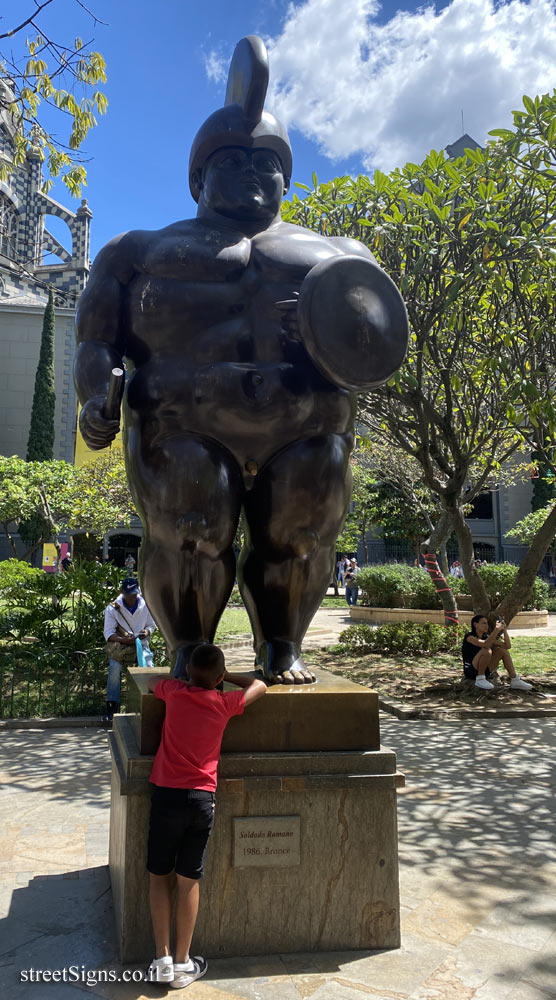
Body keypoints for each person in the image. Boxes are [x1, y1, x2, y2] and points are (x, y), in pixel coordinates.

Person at [73, 35, 407, 688]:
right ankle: (190, 648)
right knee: (192, 529)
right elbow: (95, 340)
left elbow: (376, 343)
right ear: (198, 177)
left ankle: (283, 646)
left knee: (302, 536)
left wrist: (320, 335)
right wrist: (97, 395)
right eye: (234, 160)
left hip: (306, 420)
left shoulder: (339, 253)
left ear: (287, 177)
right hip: (183, 422)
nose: (253, 175)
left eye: (267, 163)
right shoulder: (138, 250)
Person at [145, 644, 266, 989]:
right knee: (188, 880)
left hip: (167, 796)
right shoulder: (224, 703)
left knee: (158, 876)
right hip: (201, 800)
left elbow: (154, 680)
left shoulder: (175, 693)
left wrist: (181, 679)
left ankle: (161, 960)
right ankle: (184, 962)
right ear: (218, 678)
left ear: (187, 673)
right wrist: (227, 677)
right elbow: (260, 686)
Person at [103, 577, 157, 721]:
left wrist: (147, 632)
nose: (132, 598)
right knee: (114, 668)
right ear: (123, 592)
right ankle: (112, 705)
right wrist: (124, 640)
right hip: (122, 647)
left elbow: (151, 625)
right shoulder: (113, 608)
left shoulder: (146, 605)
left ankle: (149, 704)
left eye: (134, 594)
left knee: (149, 666)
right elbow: (108, 633)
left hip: (141, 645)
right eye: (129, 594)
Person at [461, 614, 532, 691]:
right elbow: (485, 644)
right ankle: (480, 679)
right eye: (484, 623)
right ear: (475, 624)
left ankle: (515, 680)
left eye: (487, 623)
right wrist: (496, 630)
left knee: (502, 650)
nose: (486, 625)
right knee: (486, 650)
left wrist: (504, 630)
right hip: (471, 671)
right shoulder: (470, 637)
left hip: (485, 670)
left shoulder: (486, 637)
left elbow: (507, 646)